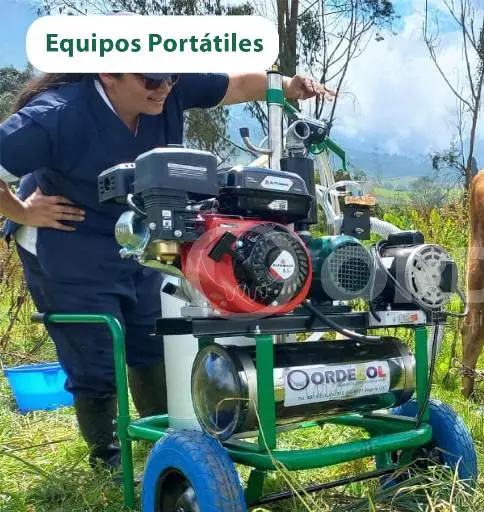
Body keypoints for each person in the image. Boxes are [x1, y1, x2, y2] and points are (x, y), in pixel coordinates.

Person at [0, 71, 333, 472]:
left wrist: (287, 86)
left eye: (170, 79)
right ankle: (108, 454)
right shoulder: (57, 114)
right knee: (96, 348)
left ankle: (165, 436)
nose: (164, 88)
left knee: (152, 333)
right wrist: (21, 211)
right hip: (68, 239)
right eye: (151, 81)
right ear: (108, 74)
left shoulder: (169, 86)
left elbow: (240, 86)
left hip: (139, 235)